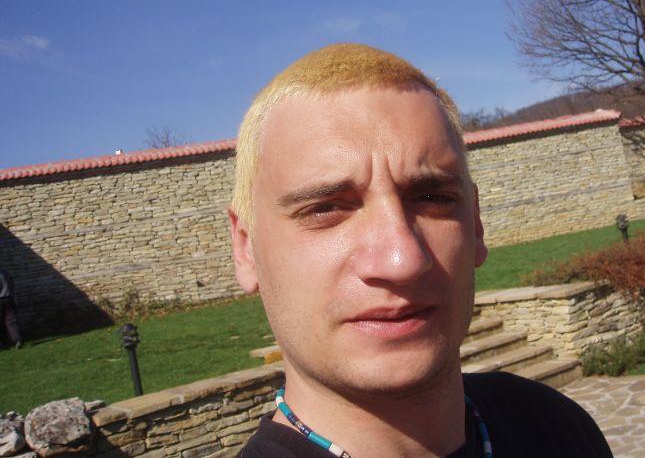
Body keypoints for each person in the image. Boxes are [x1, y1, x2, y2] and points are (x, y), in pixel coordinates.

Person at [229, 44, 612, 457]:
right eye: (325, 208)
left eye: (433, 197)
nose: (402, 261)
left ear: (476, 224)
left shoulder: (557, 426)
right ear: (246, 249)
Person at [0, 267, 22, 350]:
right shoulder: (6, 272)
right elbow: (12, 285)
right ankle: (17, 340)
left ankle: (3, 343)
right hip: (9, 298)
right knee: (11, 320)